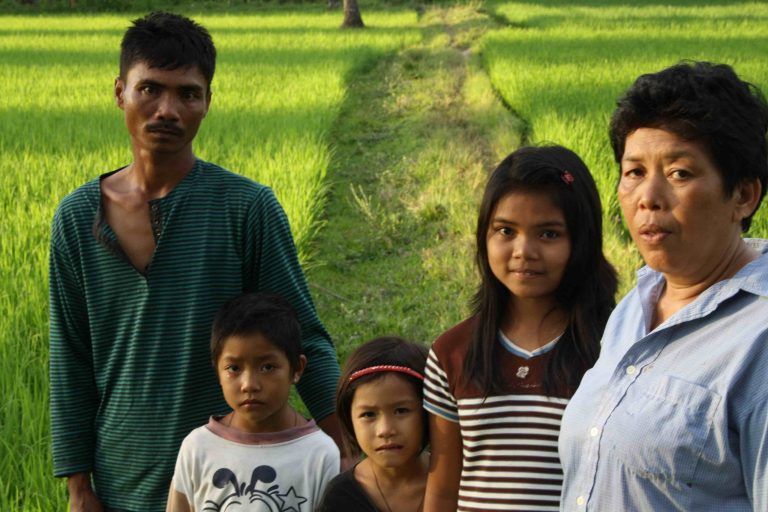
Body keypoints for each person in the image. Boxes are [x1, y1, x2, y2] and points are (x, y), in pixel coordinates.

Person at [49, 12, 343, 512]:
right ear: (120, 92)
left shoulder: (246, 208)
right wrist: (79, 487)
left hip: (231, 483)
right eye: (150, 89)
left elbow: (304, 336)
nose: (167, 110)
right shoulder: (77, 218)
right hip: (121, 480)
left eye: (187, 93)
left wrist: (349, 451)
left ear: (207, 102)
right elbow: (70, 359)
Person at [559, 61, 768, 511]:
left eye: (679, 173)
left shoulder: (759, 339)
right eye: (634, 172)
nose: (648, 198)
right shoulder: (634, 306)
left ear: (743, 196)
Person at [422, 146, 618, 511]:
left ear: (582, 240)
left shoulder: (614, 349)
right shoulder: (452, 352)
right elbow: (443, 488)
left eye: (548, 234)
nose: (523, 250)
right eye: (506, 230)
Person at [165, 293, 339, 512]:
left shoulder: (320, 454)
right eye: (234, 368)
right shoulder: (197, 448)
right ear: (217, 371)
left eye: (267, 367)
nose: (249, 385)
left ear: (297, 368)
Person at [318, 337, 429, 512]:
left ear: (428, 411)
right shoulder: (340, 497)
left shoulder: (458, 481)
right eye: (368, 414)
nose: (385, 430)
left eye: (401, 411)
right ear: (349, 418)